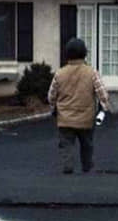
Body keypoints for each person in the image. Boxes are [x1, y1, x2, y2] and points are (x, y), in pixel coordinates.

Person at [47, 38, 110, 174]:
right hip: (86, 117)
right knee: (87, 144)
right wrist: (104, 108)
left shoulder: (60, 73)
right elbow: (102, 94)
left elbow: (51, 95)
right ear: (84, 53)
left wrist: (53, 109)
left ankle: (68, 166)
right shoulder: (91, 72)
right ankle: (87, 167)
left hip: (65, 118)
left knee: (66, 144)